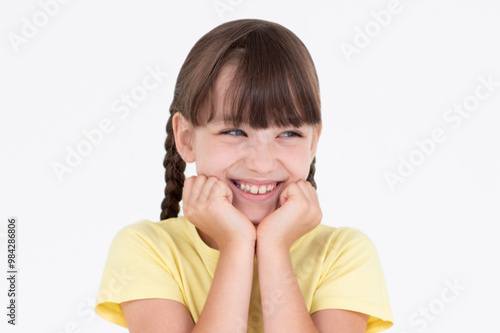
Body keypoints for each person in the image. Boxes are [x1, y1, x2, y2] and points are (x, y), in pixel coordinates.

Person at [94, 18, 393, 332]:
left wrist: (274, 247)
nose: (262, 164)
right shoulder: (147, 248)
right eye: (234, 131)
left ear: (313, 142)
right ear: (186, 138)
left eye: (289, 133)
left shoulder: (343, 252)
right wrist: (236, 243)